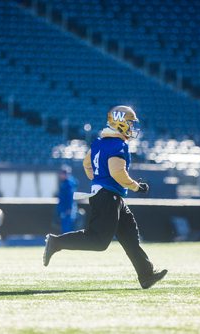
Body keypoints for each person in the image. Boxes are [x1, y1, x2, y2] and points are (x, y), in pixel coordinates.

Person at [43, 106, 168, 289]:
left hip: (110, 195)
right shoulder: (118, 145)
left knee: (129, 235)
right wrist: (135, 186)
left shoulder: (99, 143)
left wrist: (98, 181)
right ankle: (56, 242)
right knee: (98, 241)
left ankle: (146, 274)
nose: (132, 127)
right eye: (130, 123)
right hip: (108, 197)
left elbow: (87, 165)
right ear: (121, 123)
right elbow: (117, 171)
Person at [56, 165, 78, 233]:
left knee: (67, 230)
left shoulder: (68, 184)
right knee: (65, 229)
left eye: (62, 173)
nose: (60, 175)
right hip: (64, 208)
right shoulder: (64, 183)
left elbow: (70, 197)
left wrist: (69, 208)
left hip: (68, 209)